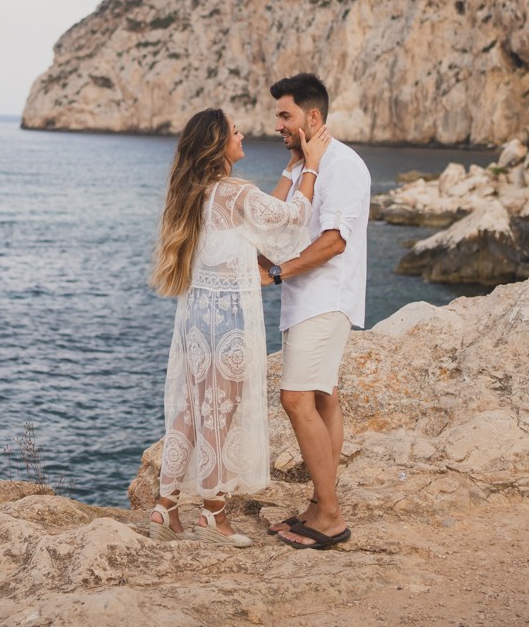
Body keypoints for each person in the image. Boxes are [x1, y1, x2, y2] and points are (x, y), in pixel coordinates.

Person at [149, 107, 330, 547]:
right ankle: (213, 515)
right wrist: (311, 167)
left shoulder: (197, 193)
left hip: (197, 320)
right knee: (220, 413)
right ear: (219, 144)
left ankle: (165, 506)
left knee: (193, 410)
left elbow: (261, 219)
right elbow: (290, 219)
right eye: (234, 131)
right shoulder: (234, 192)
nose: (242, 134)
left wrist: (290, 169)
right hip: (228, 321)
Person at [257, 73, 372, 550]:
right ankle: (320, 503)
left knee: (296, 399)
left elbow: (334, 242)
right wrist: (294, 166)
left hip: (326, 299)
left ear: (313, 117)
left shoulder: (342, 166)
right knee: (323, 399)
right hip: (305, 300)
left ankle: (330, 517)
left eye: (285, 115)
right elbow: (273, 225)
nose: (277, 125)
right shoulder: (308, 165)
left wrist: (277, 272)